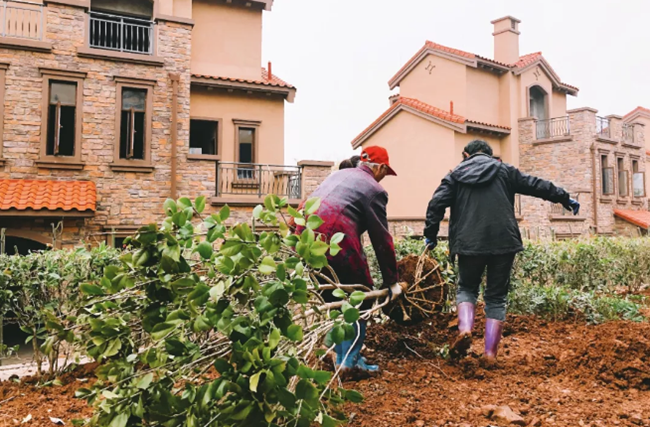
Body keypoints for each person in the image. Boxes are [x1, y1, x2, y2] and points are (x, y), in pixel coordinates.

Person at [424, 140, 579, 366]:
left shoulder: (455, 175)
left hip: (469, 243)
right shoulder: (504, 170)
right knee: (496, 296)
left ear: (465, 154)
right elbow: (536, 185)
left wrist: (431, 234)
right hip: (503, 241)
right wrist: (564, 198)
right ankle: (489, 355)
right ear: (490, 155)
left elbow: (436, 204)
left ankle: (465, 330)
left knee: (467, 287)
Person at [297, 146, 399, 377]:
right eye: (385, 172)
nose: (384, 178)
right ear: (380, 167)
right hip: (334, 238)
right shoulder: (374, 189)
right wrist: (392, 281)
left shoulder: (337, 176)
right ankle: (348, 362)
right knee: (360, 296)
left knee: (335, 298)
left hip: (306, 237)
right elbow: (381, 238)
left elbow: (305, 206)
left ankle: (338, 353)